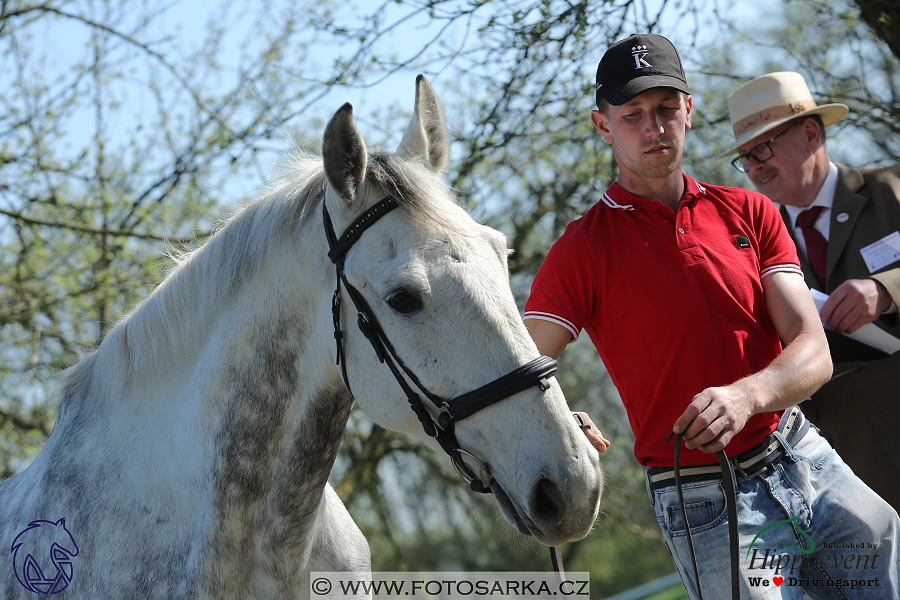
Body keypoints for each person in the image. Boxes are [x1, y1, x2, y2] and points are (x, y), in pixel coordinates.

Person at [523, 34, 899, 599]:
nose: (654, 127)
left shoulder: (749, 210)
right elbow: (522, 368)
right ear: (603, 126)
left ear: (689, 111)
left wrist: (746, 396)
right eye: (633, 115)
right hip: (703, 497)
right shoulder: (580, 250)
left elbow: (813, 350)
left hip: (804, 453)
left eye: (666, 108)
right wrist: (554, 417)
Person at [720, 71, 900, 511]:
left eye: (763, 147)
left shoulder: (891, 188)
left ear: (810, 132)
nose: (755, 165)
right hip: (856, 467)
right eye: (745, 156)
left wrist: (887, 289)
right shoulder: (758, 244)